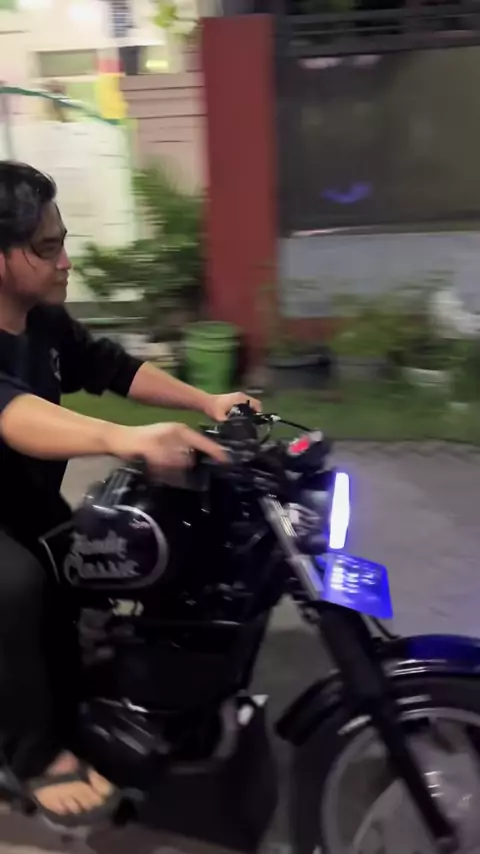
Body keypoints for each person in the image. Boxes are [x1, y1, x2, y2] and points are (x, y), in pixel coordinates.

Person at [0, 160, 260, 829]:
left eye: (63, 242)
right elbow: (12, 413)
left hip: (23, 500)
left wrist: (207, 400)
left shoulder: (41, 321)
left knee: (101, 555)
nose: (65, 261)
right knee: (20, 587)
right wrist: (122, 438)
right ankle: (32, 756)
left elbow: (111, 367)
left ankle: (100, 702)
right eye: (46, 248)